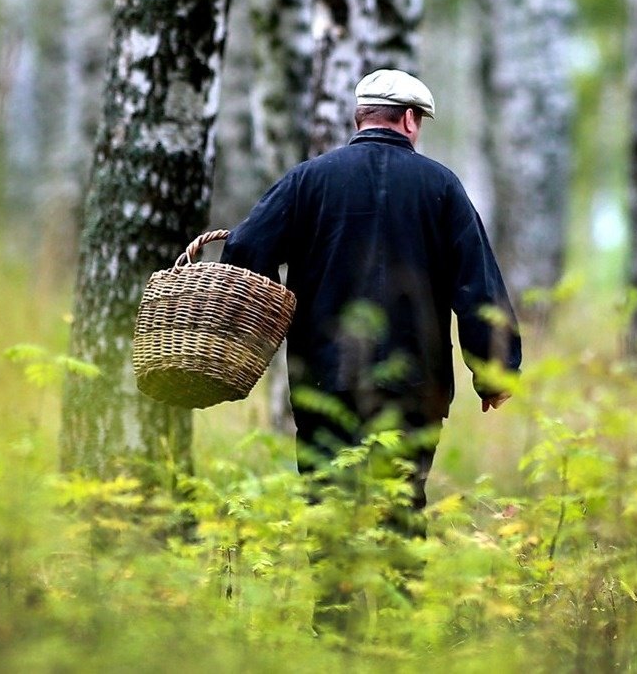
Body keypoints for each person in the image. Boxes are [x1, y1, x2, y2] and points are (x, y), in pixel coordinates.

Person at [221, 69, 522, 533]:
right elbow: (477, 286)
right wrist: (494, 371)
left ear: (360, 118)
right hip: (414, 387)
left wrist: (260, 327)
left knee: (329, 516)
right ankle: (398, 602)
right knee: (401, 515)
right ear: (407, 120)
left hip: (323, 379)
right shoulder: (441, 186)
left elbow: (242, 249)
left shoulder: (307, 180)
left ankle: (334, 606)